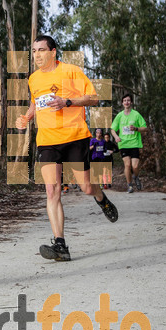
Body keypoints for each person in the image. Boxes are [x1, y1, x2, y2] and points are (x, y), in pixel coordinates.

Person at [16, 35, 118, 262]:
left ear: (53, 52)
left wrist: (68, 102)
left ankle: (101, 198)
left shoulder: (71, 71)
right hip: (47, 140)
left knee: (86, 187)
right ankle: (60, 244)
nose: (37, 55)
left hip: (75, 137)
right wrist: (27, 117)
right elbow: (36, 101)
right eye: (34, 51)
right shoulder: (33, 78)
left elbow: (93, 98)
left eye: (41, 50)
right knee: (52, 190)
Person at [111, 93, 147, 193]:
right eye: (124, 100)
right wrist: (116, 137)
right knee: (127, 165)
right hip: (123, 144)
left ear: (131, 102)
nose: (126, 102)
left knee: (135, 166)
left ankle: (135, 176)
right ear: (122, 103)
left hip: (134, 143)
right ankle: (130, 185)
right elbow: (113, 129)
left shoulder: (136, 114)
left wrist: (136, 128)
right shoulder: (119, 116)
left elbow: (144, 128)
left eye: (128, 100)